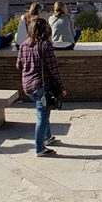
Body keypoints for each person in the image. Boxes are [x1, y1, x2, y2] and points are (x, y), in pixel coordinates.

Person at [16, 17, 66, 157]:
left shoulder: (24, 44)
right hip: (41, 86)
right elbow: (53, 69)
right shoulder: (46, 46)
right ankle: (39, 148)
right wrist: (62, 87)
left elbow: (18, 65)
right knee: (42, 116)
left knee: (44, 110)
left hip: (27, 86)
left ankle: (47, 136)